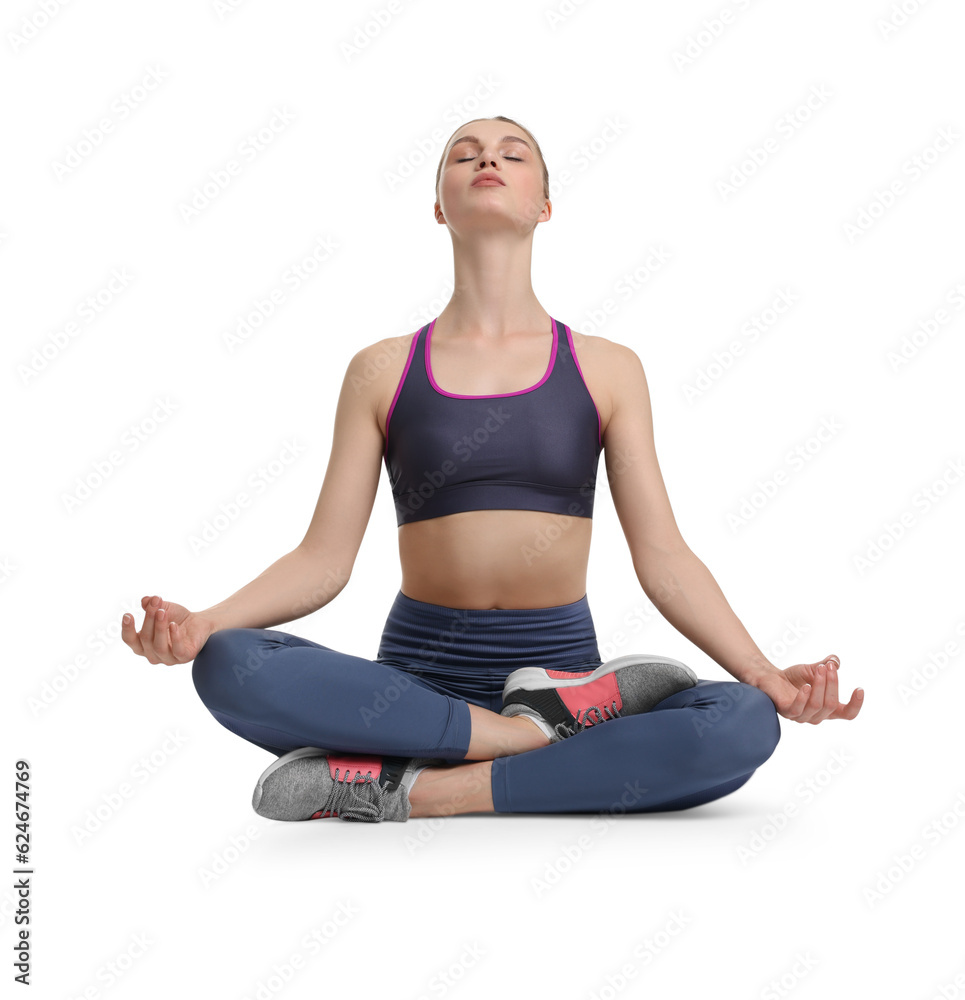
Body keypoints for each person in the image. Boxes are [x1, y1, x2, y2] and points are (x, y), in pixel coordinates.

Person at [122, 116, 864, 824]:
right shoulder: (380, 369)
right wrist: (205, 624)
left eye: (512, 154)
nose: (486, 160)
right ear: (437, 207)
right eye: (463, 153)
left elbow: (663, 555)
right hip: (413, 686)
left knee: (739, 723)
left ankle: (417, 789)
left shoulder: (607, 368)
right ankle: (530, 741)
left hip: (567, 676)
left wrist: (763, 673)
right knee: (228, 665)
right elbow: (323, 559)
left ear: (544, 205)